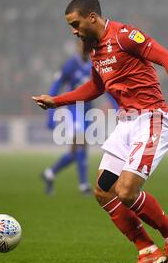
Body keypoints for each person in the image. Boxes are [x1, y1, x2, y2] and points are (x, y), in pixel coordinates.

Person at [32, 0, 168, 263]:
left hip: (152, 119)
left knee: (126, 191)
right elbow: (95, 88)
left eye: (75, 24)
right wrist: (57, 100)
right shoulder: (96, 50)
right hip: (127, 124)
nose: (74, 31)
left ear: (92, 17)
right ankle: (147, 251)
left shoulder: (125, 36)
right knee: (103, 190)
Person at [42, 40, 118, 195]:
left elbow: (106, 87)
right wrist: (50, 114)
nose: (84, 47)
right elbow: (56, 87)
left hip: (88, 109)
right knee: (81, 142)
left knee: (75, 151)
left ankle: (49, 173)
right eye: (81, 45)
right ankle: (83, 185)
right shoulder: (70, 65)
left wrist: (118, 107)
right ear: (77, 47)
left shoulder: (95, 64)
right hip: (73, 110)